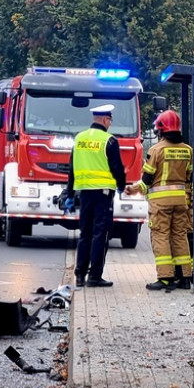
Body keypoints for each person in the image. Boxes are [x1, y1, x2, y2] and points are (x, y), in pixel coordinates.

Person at [131, 110, 193, 292]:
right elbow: (189, 177)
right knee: (180, 236)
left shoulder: (156, 150)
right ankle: (185, 278)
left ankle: (165, 278)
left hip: (161, 203)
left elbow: (147, 179)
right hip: (181, 201)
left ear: (160, 129)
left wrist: (133, 189)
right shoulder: (188, 150)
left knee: (161, 236)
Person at [67, 103, 126, 288]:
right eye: (110, 120)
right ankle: (95, 276)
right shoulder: (109, 140)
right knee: (101, 234)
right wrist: (122, 186)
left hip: (84, 193)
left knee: (85, 234)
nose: (110, 124)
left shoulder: (79, 139)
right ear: (105, 119)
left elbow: (71, 169)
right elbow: (117, 167)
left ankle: (79, 275)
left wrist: (69, 193)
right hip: (103, 193)